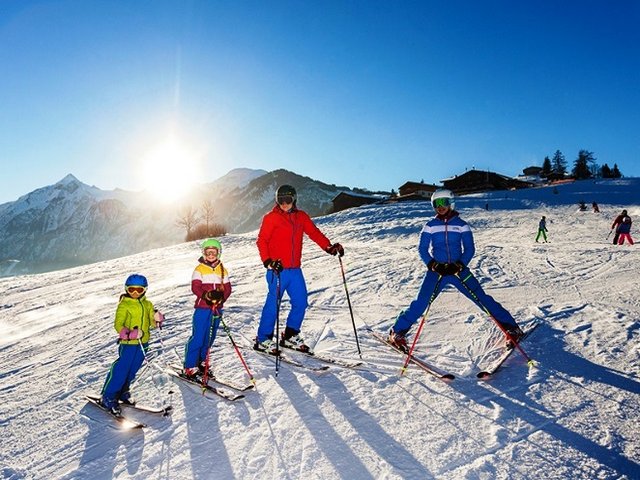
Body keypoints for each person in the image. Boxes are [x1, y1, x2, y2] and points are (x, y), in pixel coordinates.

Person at [388, 189, 523, 353]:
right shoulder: (430, 226)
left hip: (458, 271)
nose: (440, 206)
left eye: (443, 202)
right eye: (436, 204)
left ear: (450, 203)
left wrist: (460, 264)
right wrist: (433, 264)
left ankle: (512, 329)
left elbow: (469, 249)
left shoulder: (461, 225)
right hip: (437, 272)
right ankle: (397, 332)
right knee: (421, 302)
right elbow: (423, 249)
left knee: (482, 299)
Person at [254, 184, 344, 354]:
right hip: (277, 270)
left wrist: (329, 247)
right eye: (281, 200)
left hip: (295, 270)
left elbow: (314, 233)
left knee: (301, 302)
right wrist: (269, 262)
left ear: (294, 199)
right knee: (273, 305)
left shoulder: (301, 217)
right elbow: (262, 241)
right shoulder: (271, 218)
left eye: (288, 200)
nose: (284, 203)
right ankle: (263, 339)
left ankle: (290, 335)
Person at [100, 274, 164, 415]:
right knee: (122, 368)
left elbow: (151, 323)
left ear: (144, 290)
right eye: (131, 289)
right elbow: (118, 324)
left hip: (143, 342)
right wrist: (129, 334)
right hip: (129, 343)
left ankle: (123, 391)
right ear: (126, 289)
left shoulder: (148, 304)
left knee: (133, 369)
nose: (135, 293)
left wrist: (157, 319)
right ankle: (108, 395)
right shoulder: (124, 304)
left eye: (139, 290)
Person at [183, 238, 232, 378]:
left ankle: (203, 361)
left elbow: (228, 289)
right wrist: (206, 295)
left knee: (210, 336)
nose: (211, 255)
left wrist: (221, 299)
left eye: (213, 252)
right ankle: (190, 365)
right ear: (203, 253)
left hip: (217, 308)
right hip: (202, 308)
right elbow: (195, 287)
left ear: (218, 253)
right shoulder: (199, 269)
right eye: (208, 252)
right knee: (198, 336)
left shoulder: (223, 270)